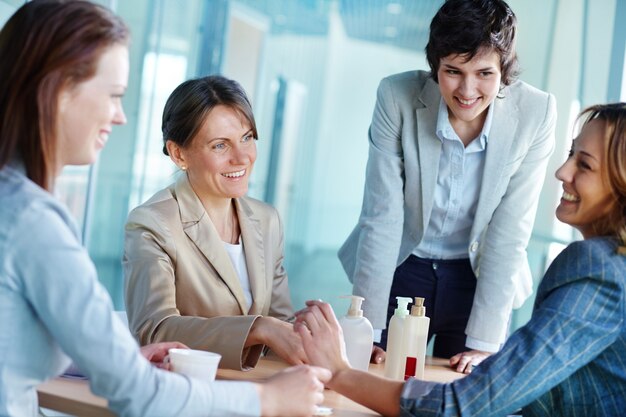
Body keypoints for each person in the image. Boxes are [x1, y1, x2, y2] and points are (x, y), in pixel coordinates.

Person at [0, 1, 329, 416]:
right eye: (114, 95)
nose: (120, 116)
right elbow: (138, 392)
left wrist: (116, 359)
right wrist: (266, 400)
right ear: (59, 91)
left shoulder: (17, 205)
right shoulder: (34, 222)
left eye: (246, 138)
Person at [296, 103, 626, 416]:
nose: (562, 171)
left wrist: (339, 371)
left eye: (584, 164)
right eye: (570, 154)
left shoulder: (600, 272)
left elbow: (458, 408)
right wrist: (502, 376)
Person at [338, 0, 557, 371]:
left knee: (463, 393)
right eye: (453, 71)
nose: (467, 90)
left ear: (504, 70)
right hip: (403, 263)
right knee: (374, 377)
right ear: (434, 66)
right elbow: (382, 217)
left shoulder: (536, 113)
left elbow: (509, 231)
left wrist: (486, 344)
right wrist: (369, 332)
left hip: (479, 274)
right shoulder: (397, 97)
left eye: (484, 73)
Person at [123, 75, 305, 371]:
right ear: (178, 153)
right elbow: (154, 330)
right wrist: (256, 328)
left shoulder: (266, 219)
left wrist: (337, 346)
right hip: (186, 391)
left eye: (247, 138)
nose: (242, 157)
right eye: (220, 146)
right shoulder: (153, 223)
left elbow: (281, 325)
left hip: (254, 391)